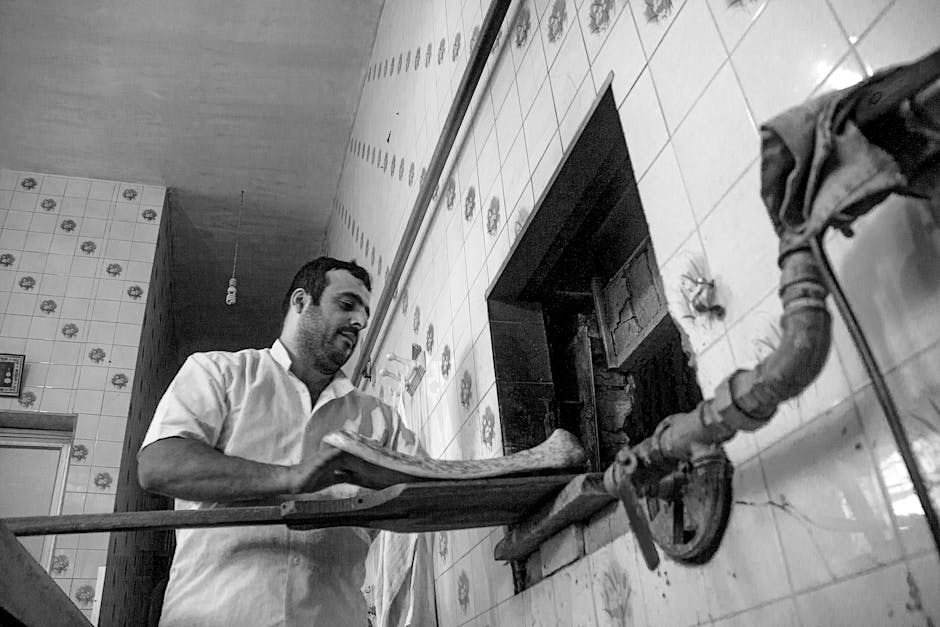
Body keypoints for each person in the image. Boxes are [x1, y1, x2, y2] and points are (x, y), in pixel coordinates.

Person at [138, 257, 421, 626]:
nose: (360, 322)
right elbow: (158, 464)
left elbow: (431, 490)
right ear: (301, 302)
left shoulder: (379, 419)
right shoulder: (218, 373)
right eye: (347, 305)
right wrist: (290, 479)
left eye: (365, 314)